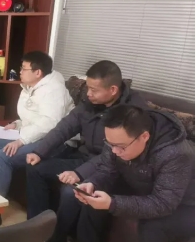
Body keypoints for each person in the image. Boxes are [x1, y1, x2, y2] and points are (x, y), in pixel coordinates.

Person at [47, 105, 195, 242]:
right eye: (110, 144)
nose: (114, 151)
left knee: (154, 227)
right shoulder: (117, 140)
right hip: (147, 188)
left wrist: (113, 203)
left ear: (144, 136)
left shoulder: (176, 153)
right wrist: (92, 183)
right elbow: (107, 171)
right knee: (94, 194)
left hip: (185, 205)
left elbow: (163, 204)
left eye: (120, 147)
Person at [24, 60, 147, 220]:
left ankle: (59, 235)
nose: (88, 94)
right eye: (88, 88)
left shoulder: (132, 111)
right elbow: (65, 127)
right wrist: (39, 152)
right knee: (35, 168)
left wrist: (79, 173)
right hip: (83, 156)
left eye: (93, 90)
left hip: (111, 166)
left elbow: (113, 154)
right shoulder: (90, 102)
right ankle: (37, 223)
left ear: (113, 90)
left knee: (71, 191)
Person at [0, 51, 74, 198]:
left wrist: (21, 140)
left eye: (24, 69)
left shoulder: (54, 90)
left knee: (4, 155)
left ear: (38, 72)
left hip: (55, 141)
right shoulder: (28, 87)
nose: (20, 72)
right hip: (35, 135)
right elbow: (32, 118)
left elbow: (50, 123)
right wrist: (16, 124)